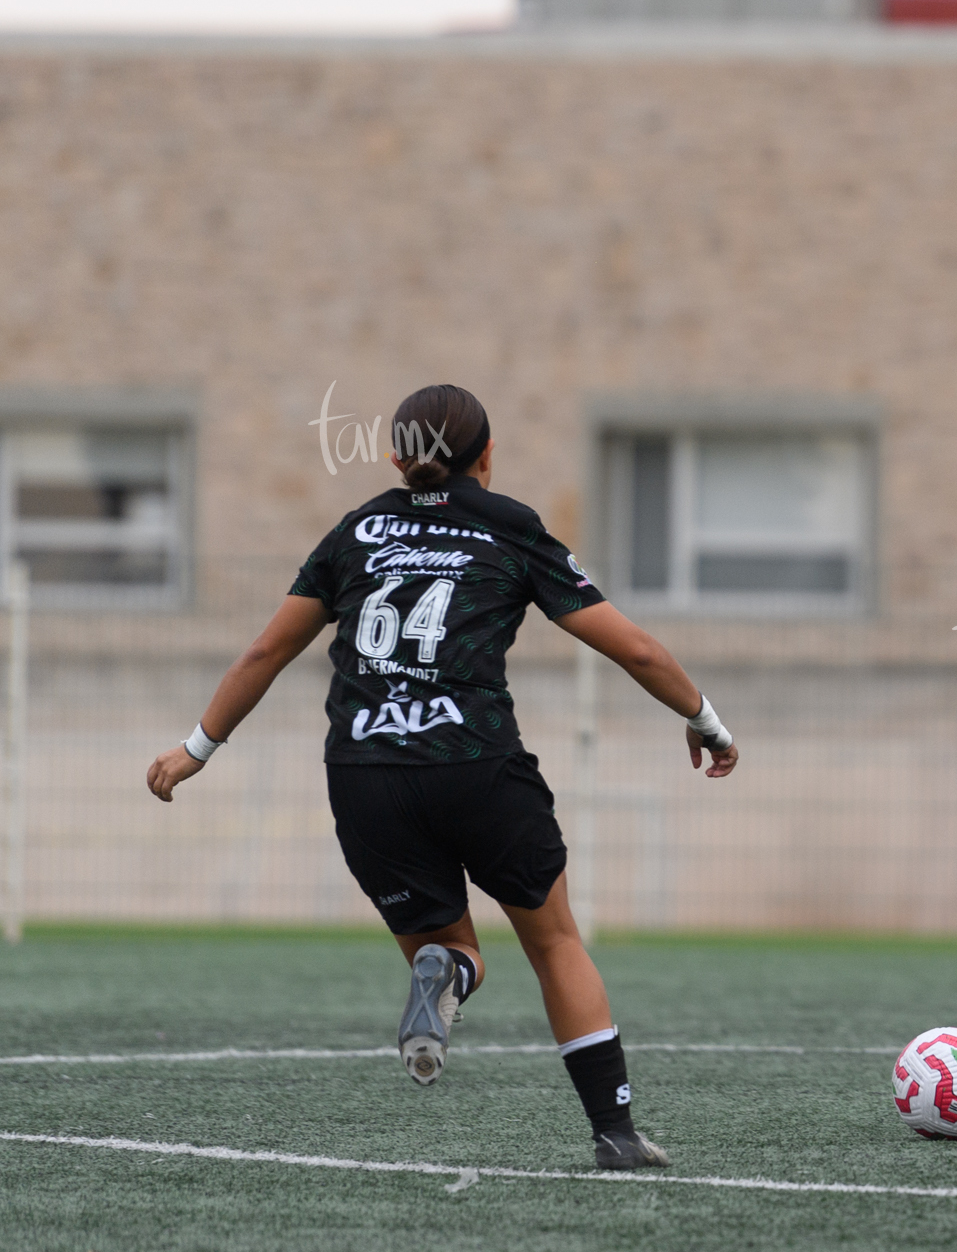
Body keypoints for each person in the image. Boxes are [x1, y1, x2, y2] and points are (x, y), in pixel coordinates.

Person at [145, 385, 739, 1171]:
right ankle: (615, 1131)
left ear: (397, 459)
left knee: (453, 945)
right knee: (555, 941)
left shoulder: (356, 532)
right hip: (476, 765)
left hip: (364, 774)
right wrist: (705, 719)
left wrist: (196, 748)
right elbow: (634, 648)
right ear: (487, 458)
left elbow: (264, 652)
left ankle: (450, 967)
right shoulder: (511, 527)